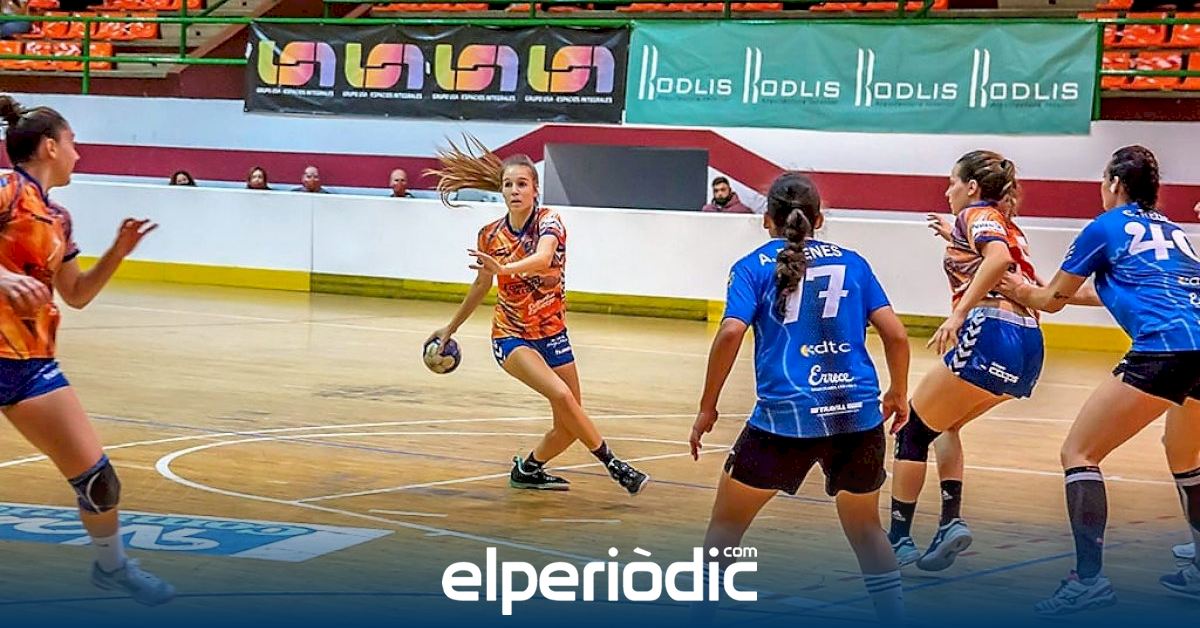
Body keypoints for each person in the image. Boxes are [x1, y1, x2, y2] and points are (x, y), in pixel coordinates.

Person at [690, 171, 909, 623]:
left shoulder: (751, 266)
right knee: (867, 529)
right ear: (819, 218)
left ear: (766, 219)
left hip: (783, 420)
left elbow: (730, 332)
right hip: (857, 417)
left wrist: (707, 406)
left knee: (726, 527)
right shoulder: (854, 263)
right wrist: (898, 393)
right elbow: (897, 335)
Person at [1000, 146, 1200, 614]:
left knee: (1079, 453)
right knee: (1186, 454)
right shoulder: (1173, 231)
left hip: (1165, 346)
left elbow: (1052, 300)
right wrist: (1047, 292)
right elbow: (1118, 288)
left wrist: (1019, 290)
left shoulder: (1105, 226)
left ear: (1113, 183)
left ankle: (1087, 580)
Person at [0, 94, 174, 605]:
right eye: (73, 142)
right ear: (49, 146)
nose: (79, 153)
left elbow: (75, 295)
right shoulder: (6, 190)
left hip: (28, 365)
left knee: (99, 483)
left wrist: (117, 253)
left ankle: (112, 568)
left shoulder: (58, 218)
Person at [424, 135, 649, 495]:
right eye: (508, 185)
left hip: (553, 333)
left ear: (535, 189)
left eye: (522, 184)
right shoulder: (490, 235)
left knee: (569, 426)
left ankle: (527, 469)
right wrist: (450, 328)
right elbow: (481, 285)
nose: (514, 191)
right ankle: (615, 465)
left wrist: (504, 269)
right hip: (511, 336)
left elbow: (544, 259)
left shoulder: (550, 221)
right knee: (562, 396)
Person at [888, 151, 1060, 572]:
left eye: (952, 182)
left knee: (911, 430)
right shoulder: (1007, 226)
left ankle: (897, 540)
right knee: (944, 424)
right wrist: (956, 235)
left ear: (972, 187)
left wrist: (958, 313)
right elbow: (1019, 271)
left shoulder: (976, 214)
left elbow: (996, 259)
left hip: (991, 332)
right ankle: (949, 522)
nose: (947, 191)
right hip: (1028, 344)